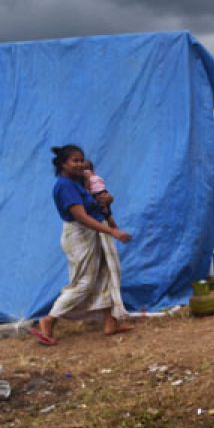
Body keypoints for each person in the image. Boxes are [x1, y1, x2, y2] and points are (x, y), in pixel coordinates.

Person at [31, 145, 133, 345]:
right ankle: (49, 320)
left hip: (93, 233)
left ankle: (110, 321)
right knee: (84, 282)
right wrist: (112, 231)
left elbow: (94, 205)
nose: (80, 164)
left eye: (81, 160)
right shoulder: (64, 186)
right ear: (63, 164)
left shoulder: (79, 182)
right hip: (80, 236)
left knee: (106, 273)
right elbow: (82, 218)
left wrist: (106, 201)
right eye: (75, 161)